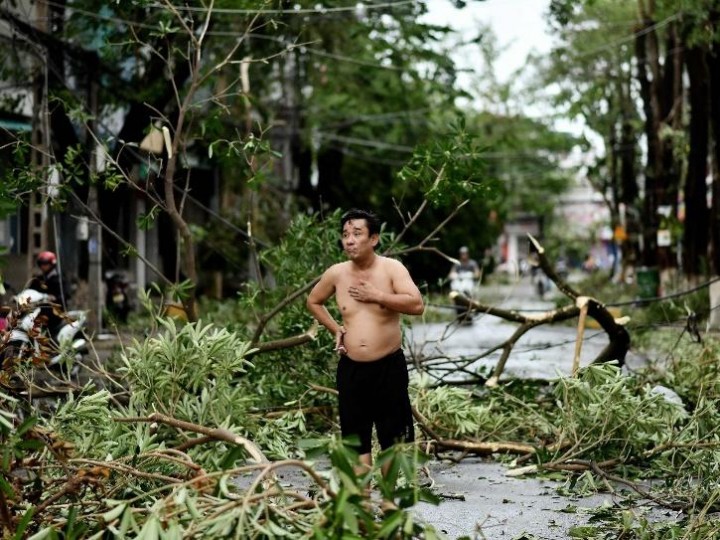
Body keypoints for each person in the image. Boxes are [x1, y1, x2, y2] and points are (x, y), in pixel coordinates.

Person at [306, 209, 424, 494]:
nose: (349, 240)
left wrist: (378, 296)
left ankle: (389, 499)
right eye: (345, 235)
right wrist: (335, 328)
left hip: (388, 367)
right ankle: (361, 503)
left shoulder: (392, 269)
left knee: (392, 438)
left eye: (357, 234)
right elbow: (314, 301)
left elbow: (417, 305)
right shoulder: (336, 273)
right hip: (352, 369)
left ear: (374, 238)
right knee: (355, 438)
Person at [448, 246, 481, 322]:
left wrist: (472, 275)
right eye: (462, 254)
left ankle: (473, 306)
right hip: (459, 285)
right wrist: (454, 275)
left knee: (472, 293)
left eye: (465, 254)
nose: (464, 255)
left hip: (469, 284)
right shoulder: (457, 264)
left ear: (467, 254)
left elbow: (477, 273)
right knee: (454, 290)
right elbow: (451, 273)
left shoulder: (472, 263)